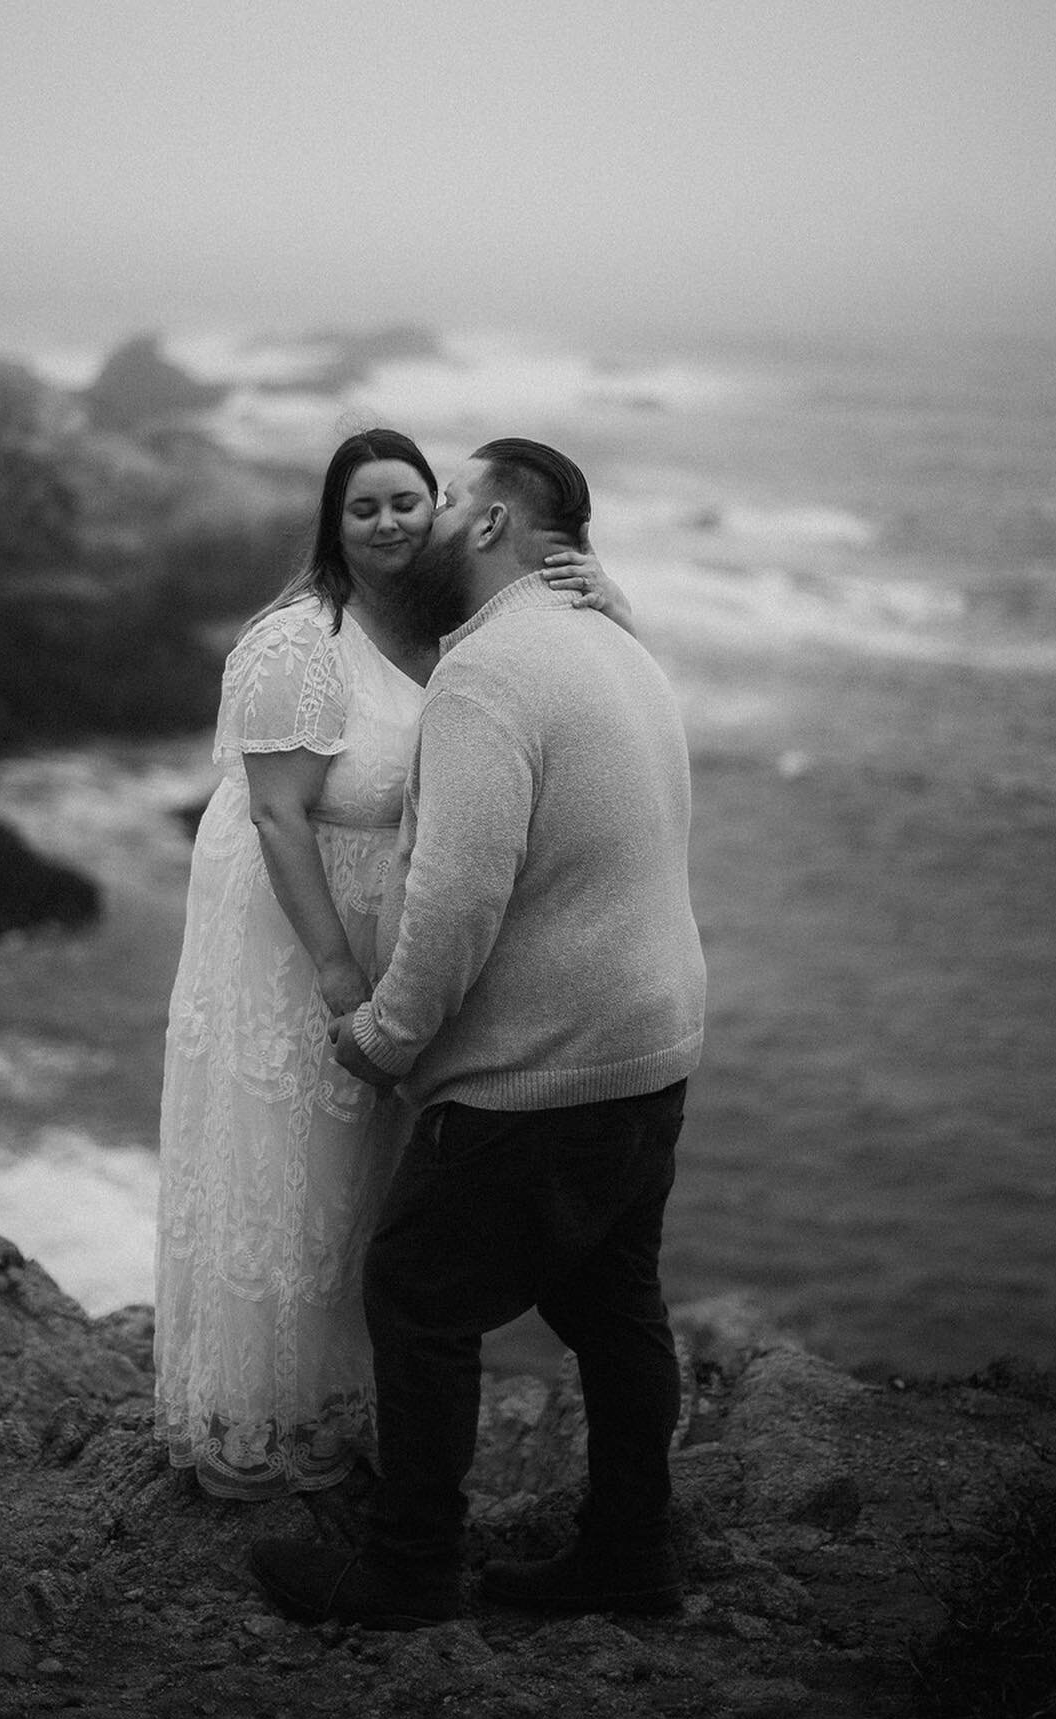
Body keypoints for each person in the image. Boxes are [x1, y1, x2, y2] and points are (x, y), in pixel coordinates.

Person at [248, 438, 705, 1625]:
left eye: (448, 498)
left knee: (414, 1290)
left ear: (496, 526)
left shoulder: (490, 674)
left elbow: (459, 898)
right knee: (614, 1308)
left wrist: (386, 1034)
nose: (428, 519)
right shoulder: (618, 645)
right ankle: (629, 1555)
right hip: (652, 1047)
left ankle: (406, 1573)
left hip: (545, 1067)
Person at [154, 428, 623, 1500]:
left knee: (366, 1178)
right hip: (288, 930)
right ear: (334, 523)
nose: (392, 523)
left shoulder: (447, 628)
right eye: (365, 507)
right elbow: (275, 817)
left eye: (411, 500)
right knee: (287, 1164)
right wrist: (331, 970)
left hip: (386, 928)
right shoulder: (297, 642)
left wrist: (608, 602)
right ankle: (261, 1424)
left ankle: (347, 1405)